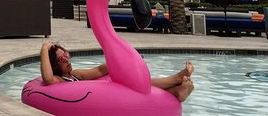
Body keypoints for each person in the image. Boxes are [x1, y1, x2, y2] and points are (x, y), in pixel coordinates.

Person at [40, 41, 194, 102]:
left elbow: (99, 70)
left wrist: (125, 60)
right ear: (54, 65)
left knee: (132, 82)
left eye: (66, 55)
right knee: (131, 86)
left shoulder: (76, 74)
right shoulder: (59, 80)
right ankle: (176, 80)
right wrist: (44, 49)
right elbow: (47, 79)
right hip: (103, 100)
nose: (67, 60)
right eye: (61, 59)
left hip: (111, 95)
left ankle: (175, 90)